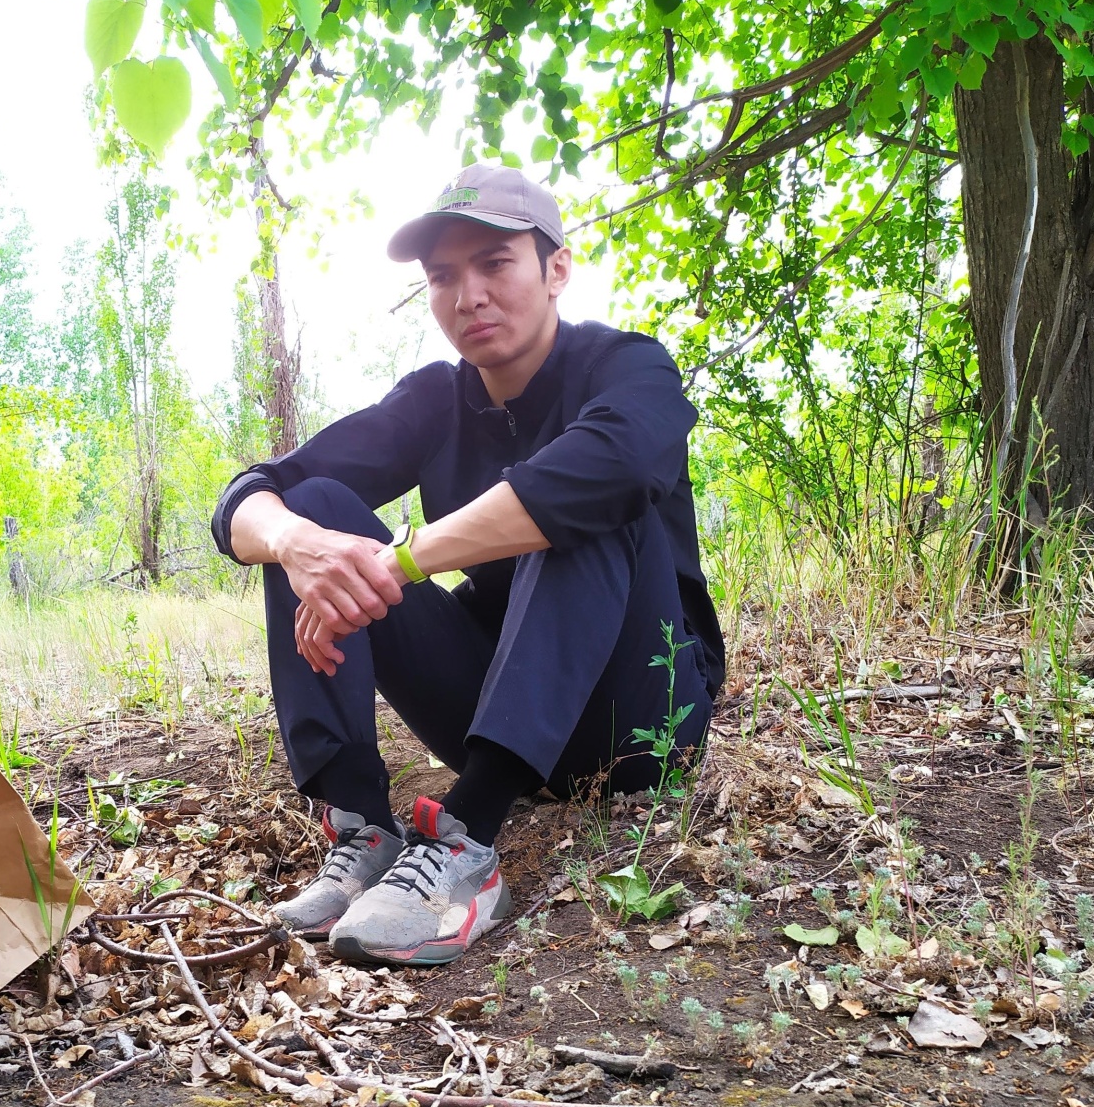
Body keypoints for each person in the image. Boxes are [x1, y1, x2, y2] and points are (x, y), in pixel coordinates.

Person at [211, 163, 721, 967]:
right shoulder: (435, 400)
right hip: (501, 713)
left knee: (578, 494)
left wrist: (407, 558)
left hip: (641, 716)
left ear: (556, 269)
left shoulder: (627, 368)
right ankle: (363, 829)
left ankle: (467, 845)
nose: (468, 295)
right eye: (444, 276)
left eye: (495, 264)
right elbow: (253, 494)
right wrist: (298, 544)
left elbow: (614, 467)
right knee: (313, 513)